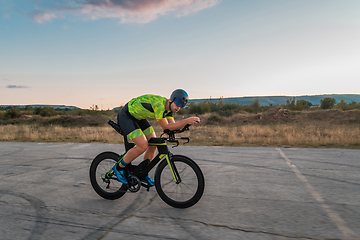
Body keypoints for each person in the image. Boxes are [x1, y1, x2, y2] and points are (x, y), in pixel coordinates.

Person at [113, 89, 200, 186]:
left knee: (153, 143)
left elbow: (172, 127)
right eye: (178, 103)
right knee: (142, 145)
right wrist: (186, 121)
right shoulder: (159, 105)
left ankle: (143, 172)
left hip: (139, 118)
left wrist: (185, 126)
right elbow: (166, 127)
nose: (179, 107)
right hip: (127, 116)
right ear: (171, 100)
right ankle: (119, 168)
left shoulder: (169, 111)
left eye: (182, 105)